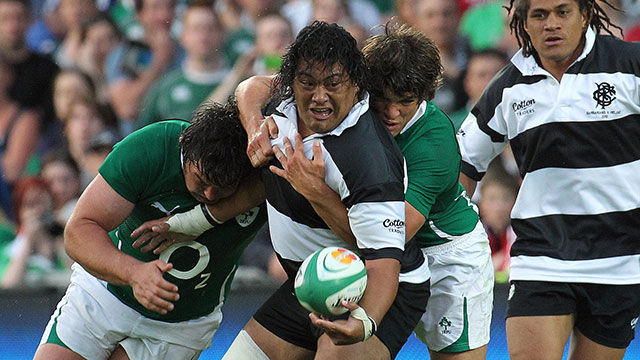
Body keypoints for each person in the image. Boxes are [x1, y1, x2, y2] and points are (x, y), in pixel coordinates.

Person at [236, 22, 494, 360]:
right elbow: (255, 86)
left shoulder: (432, 147)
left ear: (427, 95)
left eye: (405, 102)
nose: (390, 112)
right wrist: (255, 123)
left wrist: (315, 191)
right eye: (383, 99)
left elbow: (388, 241)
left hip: (446, 258)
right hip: (369, 261)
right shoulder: (345, 93)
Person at [456, 0, 640, 359]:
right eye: (539, 15)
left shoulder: (629, 65)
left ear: (584, 15)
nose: (551, 24)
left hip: (620, 262)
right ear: (523, 22)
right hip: (543, 258)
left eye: (562, 12)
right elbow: (461, 166)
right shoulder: (508, 86)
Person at [33, 100, 267, 360]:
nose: (210, 194)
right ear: (184, 150)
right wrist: (133, 273)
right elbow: (78, 232)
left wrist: (204, 217)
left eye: (223, 188)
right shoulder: (152, 147)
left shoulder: (262, 165)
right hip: (104, 295)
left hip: (179, 325)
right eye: (201, 181)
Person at [136, 1, 229, 129]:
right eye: (196, 29)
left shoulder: (242, 84)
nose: (203, 36)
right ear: (183, 36)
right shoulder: (164, 88)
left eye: (210, 28)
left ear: (222, 33)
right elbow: (144, 138)